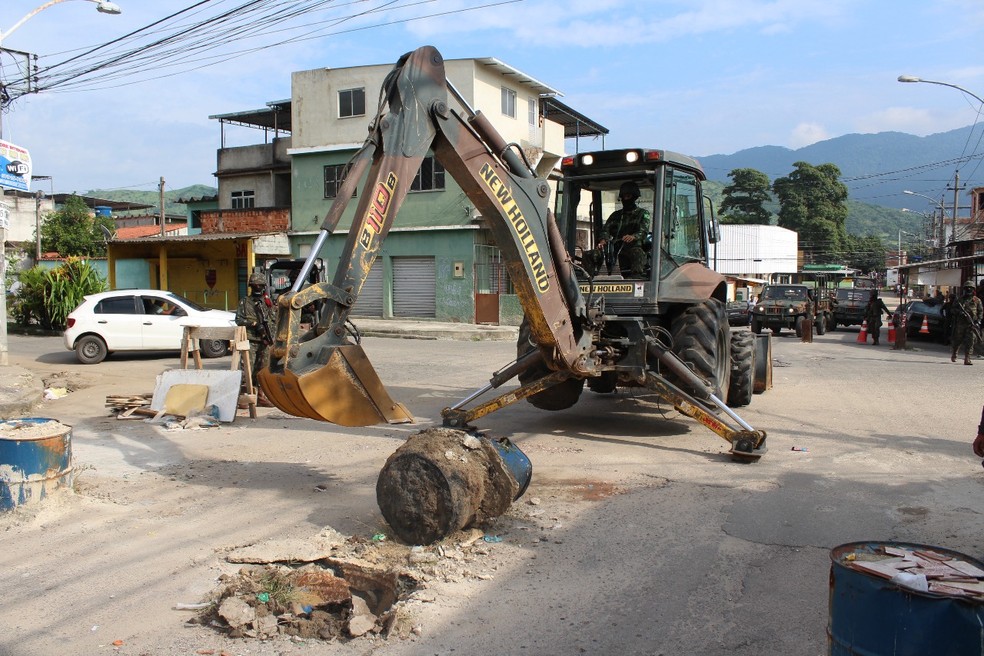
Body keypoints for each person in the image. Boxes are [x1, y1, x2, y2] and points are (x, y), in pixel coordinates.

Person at [236, 272, 276, 404]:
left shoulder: (267, 303)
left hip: (265, 341)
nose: (257, 288)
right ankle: (245, 396)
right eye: (254, 285)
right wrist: (254, 324)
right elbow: (238, 320)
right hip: (251, 340)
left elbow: (273, 320)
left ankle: (261, 395)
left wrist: (270, 335)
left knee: (263, 369)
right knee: (247, 368)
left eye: (260, 285)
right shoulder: (245, 302)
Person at [596, 181, 651, 277]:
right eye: (623, 196)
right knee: (592, 255)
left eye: (628, 196)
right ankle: (588, 281)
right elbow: (605, 230)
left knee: (637, 253)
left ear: (634, 197)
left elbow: (643, 231)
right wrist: (603, 240)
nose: (625, 199)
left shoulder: (643, 214)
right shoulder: (615, 215)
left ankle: (636, 281)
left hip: (633, 247)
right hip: (614, 248)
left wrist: (633, 236)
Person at [950, 280, 983, 365]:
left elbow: (980, 312)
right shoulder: (959, 300)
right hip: (960, 324)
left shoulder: (977, 300)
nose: (968, 289)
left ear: (973, 290)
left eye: (970, 288)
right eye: (967, 288)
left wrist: (978, 321)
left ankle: (967, 358)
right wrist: (959, 312)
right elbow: (952, 309)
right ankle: (954, 353)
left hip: (971, 324)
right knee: (957, 340)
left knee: (970, 341)